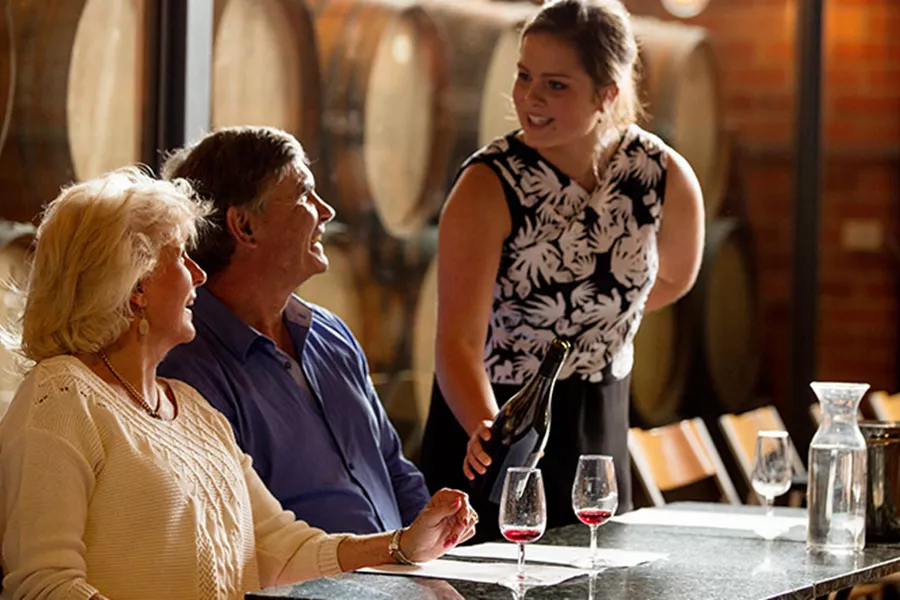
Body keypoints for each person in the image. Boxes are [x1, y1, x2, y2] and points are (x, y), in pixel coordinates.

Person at [0, 168, 477, 599]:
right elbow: (44, 584)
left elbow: (282, 549)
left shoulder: (192, 409)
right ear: (137, 284)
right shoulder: (61, 396)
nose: (199, 276)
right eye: (182, 258)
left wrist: (404, 544)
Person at [420, 0, 705, 540]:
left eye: (555, 85)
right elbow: (457, 340)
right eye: (524, 76)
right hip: (496, 418)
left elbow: (672, 279)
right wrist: (493, 432)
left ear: (608, 94)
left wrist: (592, 326)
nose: (529, 98)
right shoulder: (487, 184)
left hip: (601, 413)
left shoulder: (662, 175)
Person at [157, 126, 432, 535]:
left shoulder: (331, 334)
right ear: (245, 227)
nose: (326, 211)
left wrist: (437, 555)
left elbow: (395, 470)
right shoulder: (189, 367)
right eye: (304, 194)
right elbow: (238, 535)